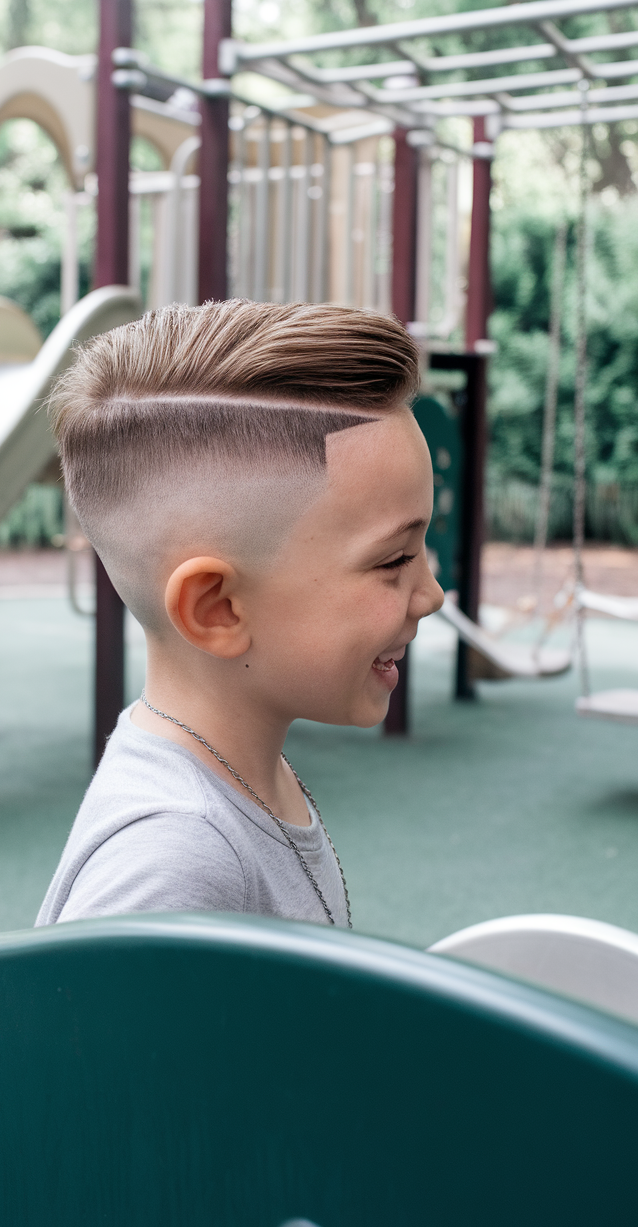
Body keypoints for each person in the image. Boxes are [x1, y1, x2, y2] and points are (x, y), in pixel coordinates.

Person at [36, 300, 443, 930]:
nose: (431, 594)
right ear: (217, 609)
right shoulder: (175, 859)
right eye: (394, 559)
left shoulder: (245, 769)